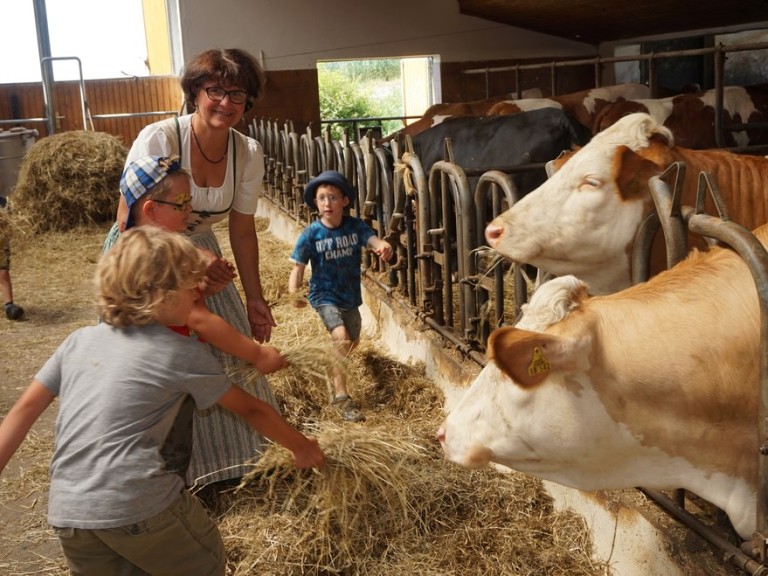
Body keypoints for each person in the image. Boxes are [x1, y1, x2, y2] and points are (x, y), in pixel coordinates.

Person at [0, 226, 324, 576]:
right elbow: (252, 408)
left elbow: (25, 409)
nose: (199, 290)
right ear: (160, 294)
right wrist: (302, 447)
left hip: (69, 513)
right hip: (139, 503)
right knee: (206, 563)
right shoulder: (179, 352)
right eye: (190, 284)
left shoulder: (79, 341)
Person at [104, 48, 280, 486]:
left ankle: (225, 467)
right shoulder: (160, 138)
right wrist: (193, 259)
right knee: (154, 359)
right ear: (195, 93)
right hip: (142, 251)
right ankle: (154, 477)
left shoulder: (248, 152)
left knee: (225, 353)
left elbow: (242, 231)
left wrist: (255, 300)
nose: (226, 102)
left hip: (200, 250)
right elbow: (133, 220)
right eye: (215, 90)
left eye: (237, 94)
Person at [288, 170, 393, 422]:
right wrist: (293, 293)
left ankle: (332, 366)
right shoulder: (311, 234)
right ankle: (341, 397)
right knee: (341, 337)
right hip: (324, 295)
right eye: (321, 198)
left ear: (345, 201)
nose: (327, 203)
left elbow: (372, 239)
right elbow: (298, 268)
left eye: (333, 197)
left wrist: (382, 246)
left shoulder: (354, 226)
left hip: (350, 297)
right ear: (316, 202)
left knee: (351, 343)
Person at [0, 196, 24, 321]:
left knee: (3, 273)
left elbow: (11, 222)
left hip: (1, 243)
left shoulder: (4, 202)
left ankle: (9, 306)